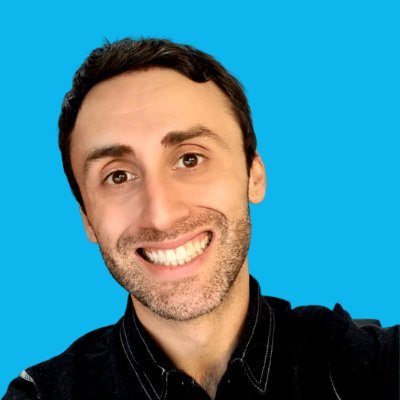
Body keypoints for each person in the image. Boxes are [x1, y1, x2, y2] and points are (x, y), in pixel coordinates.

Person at [3, 38, 399, 400]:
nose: (160, 215)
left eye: (190, 159)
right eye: (118, 176)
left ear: (253, 175)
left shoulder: (374, 366)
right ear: (88, 218)